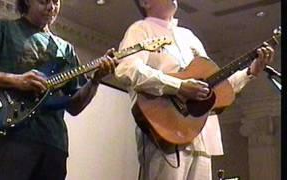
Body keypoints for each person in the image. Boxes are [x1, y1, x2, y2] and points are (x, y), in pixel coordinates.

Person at [114, 0, 275, 179]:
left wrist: (250, 72)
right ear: (145, 2)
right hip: (166, 131)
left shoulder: (188, 36)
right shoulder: (140, 29)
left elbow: (216, 84)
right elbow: (127, 70)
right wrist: (178, 87)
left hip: (201, 135)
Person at [0, 0, 116, 179]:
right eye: (44, 1)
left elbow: (75, 106)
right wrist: (17, 81)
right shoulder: (2, 29)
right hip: (17, 139)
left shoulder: (65, 49)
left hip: (55, 145)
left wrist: (96, 80)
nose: (51, 7)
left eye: (56, 1)